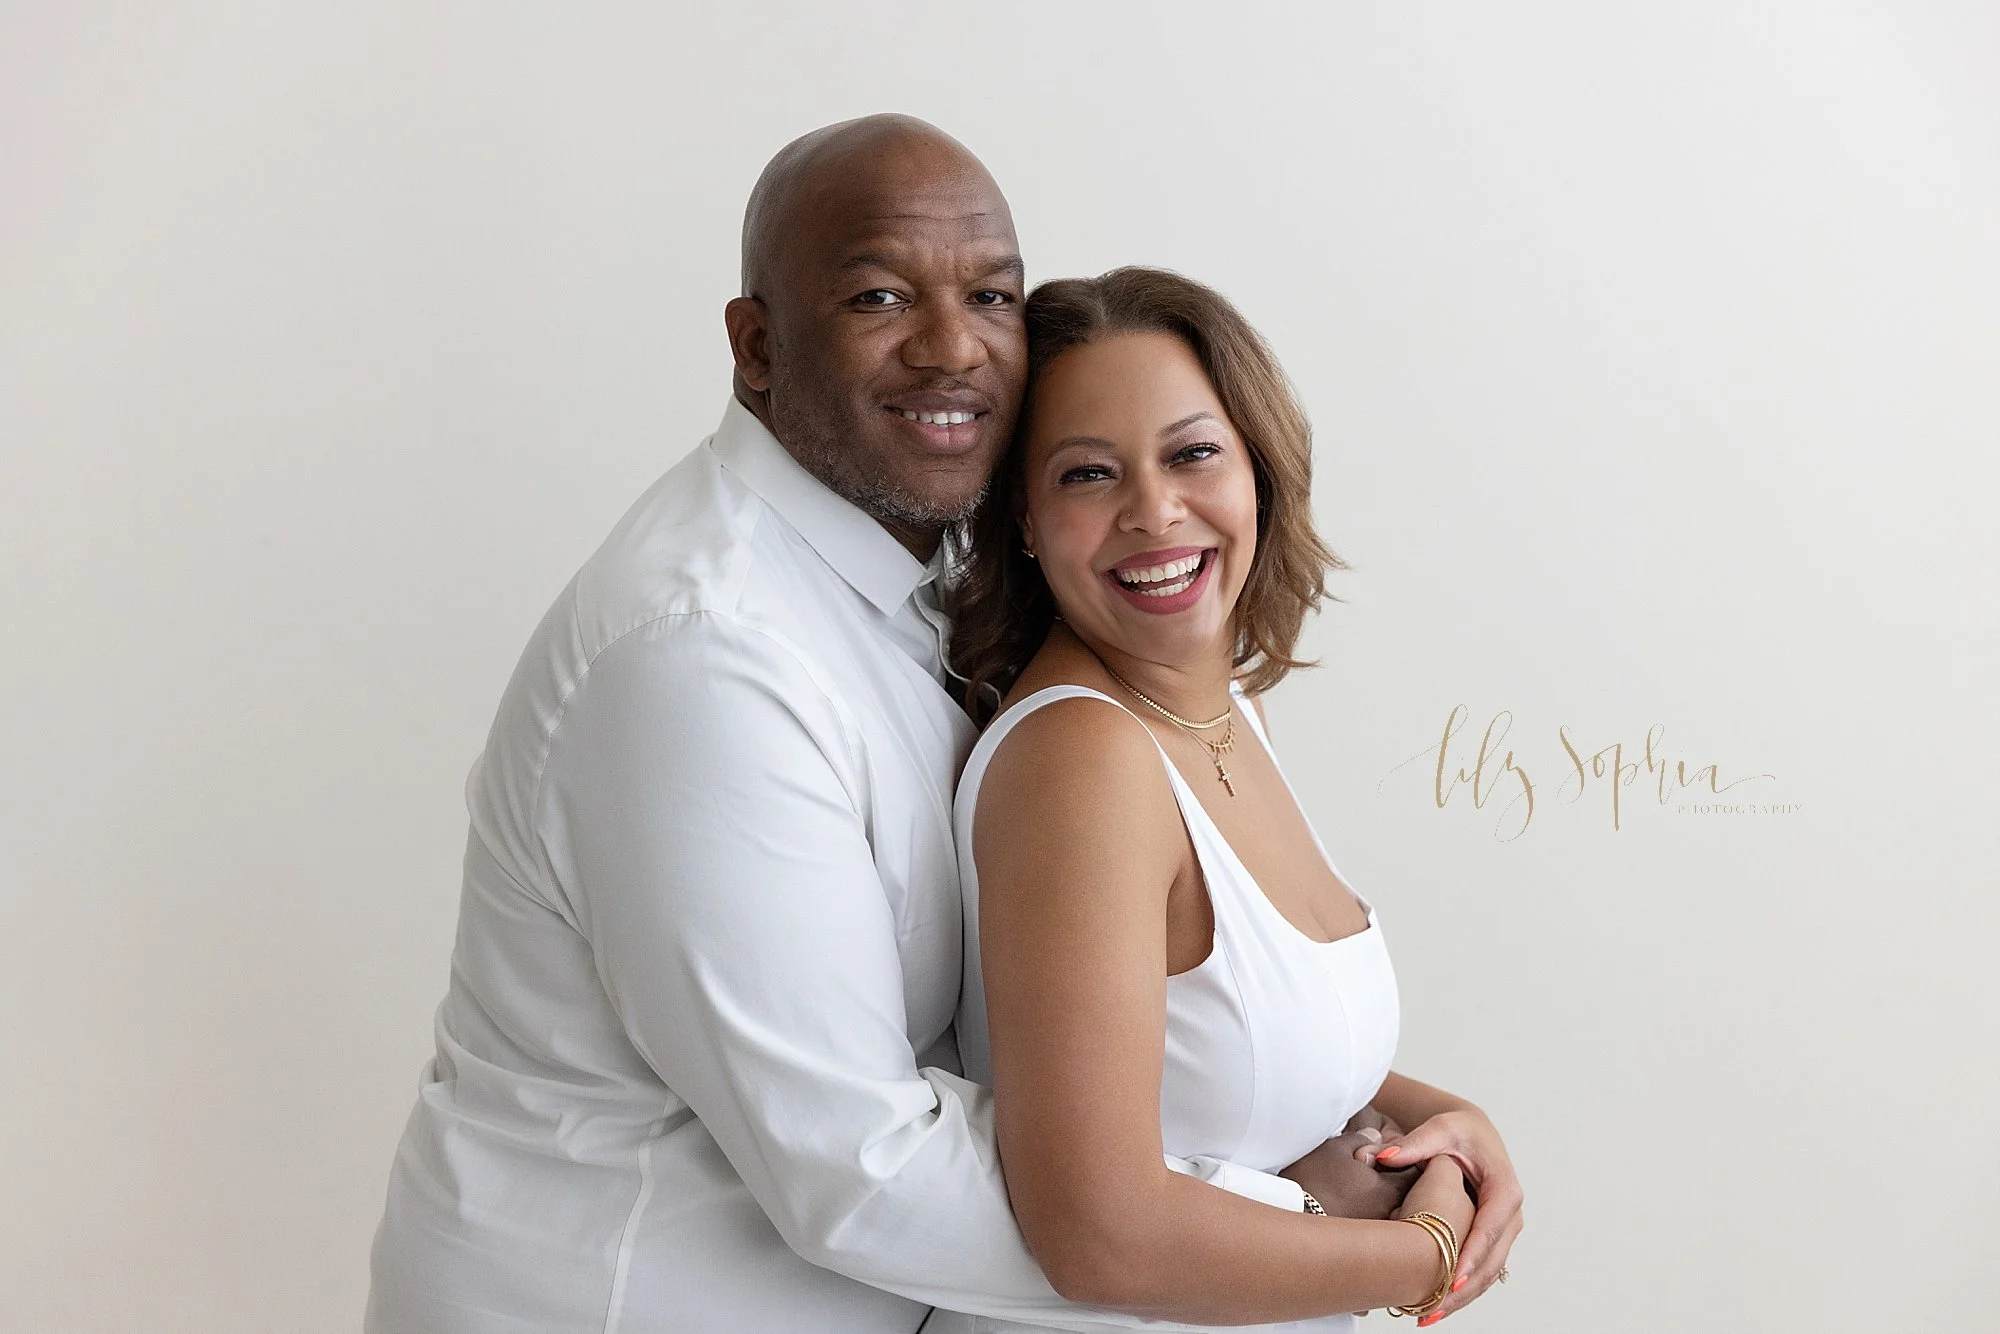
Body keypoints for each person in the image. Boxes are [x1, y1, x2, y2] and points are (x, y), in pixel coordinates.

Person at [364, 113, 1522, 1333]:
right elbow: (856, 1171)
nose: (951, 346)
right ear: (756, 347)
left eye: (991, 293)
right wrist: (1318, 1223)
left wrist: (1419, 1122)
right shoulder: (700, 657)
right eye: (877, 294)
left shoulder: (955, 574)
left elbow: (1127, 1010)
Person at [943, 268, 1522, 1330]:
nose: (1152, 510)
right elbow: (1096, 1231)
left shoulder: (1221, 711)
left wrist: (1440, 1120)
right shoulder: (1083, 758)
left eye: (1191, 452)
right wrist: (1419, 1250)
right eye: (1085, 473)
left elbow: (1212, 1048)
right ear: (1023, 516)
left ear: (1257, 467)